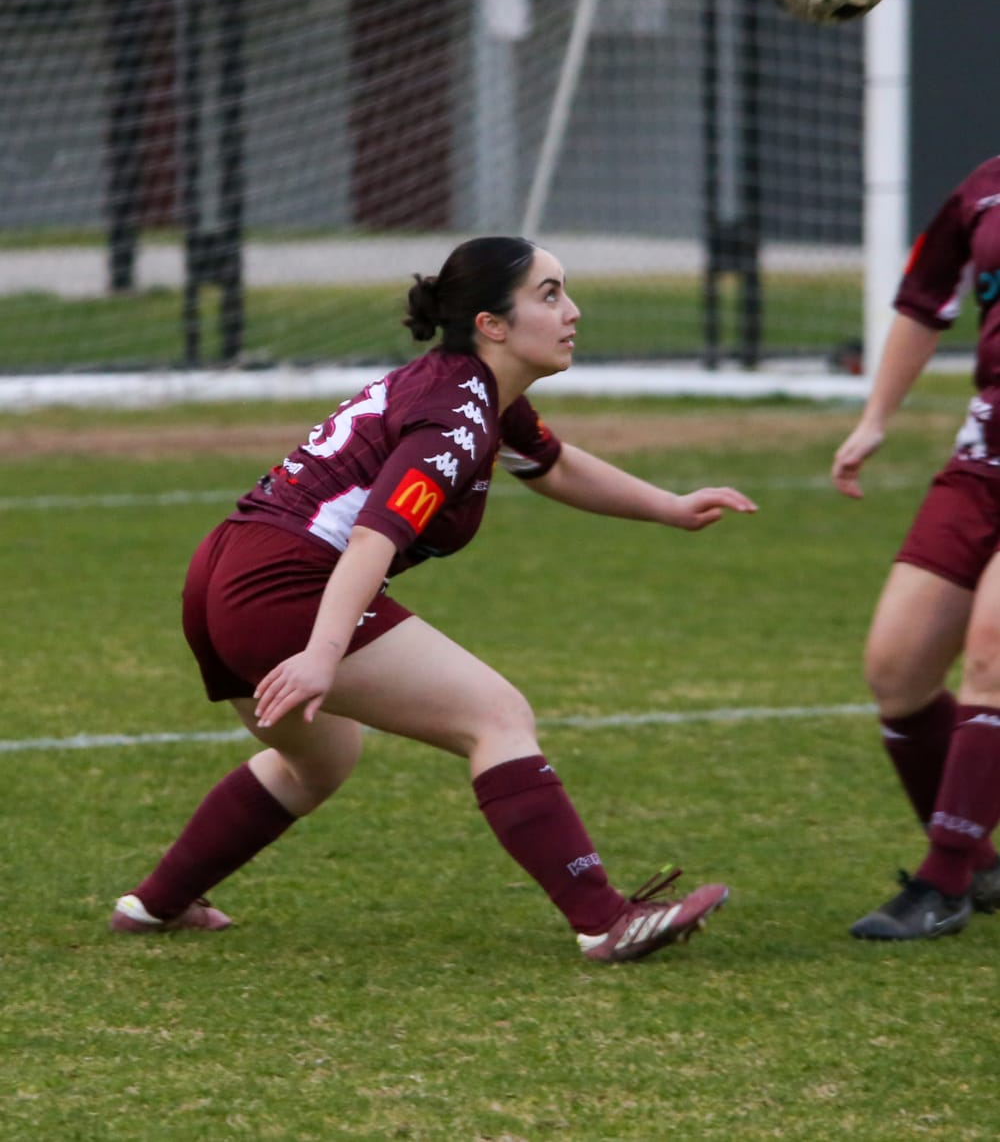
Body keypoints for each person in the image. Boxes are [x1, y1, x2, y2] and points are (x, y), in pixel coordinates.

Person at [110, 236, 756, 963]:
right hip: (284, 588)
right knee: (497, 716)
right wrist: (323, 654)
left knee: (318, 762)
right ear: (493, 324)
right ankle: (606, 920)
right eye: (549, 294)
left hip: (223, 571)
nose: (572, 311)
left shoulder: (475, 390)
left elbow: (552, 464)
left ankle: (155, 904)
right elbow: (369, 541)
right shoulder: (458, 415)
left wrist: (668, 506)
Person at [832, 159, 1000, 940]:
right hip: (983, 458)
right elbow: (924, 299)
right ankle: (982, 860)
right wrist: (875, 418)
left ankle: (943, 881)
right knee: (896, 671)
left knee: (992, 654)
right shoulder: (981, 186)